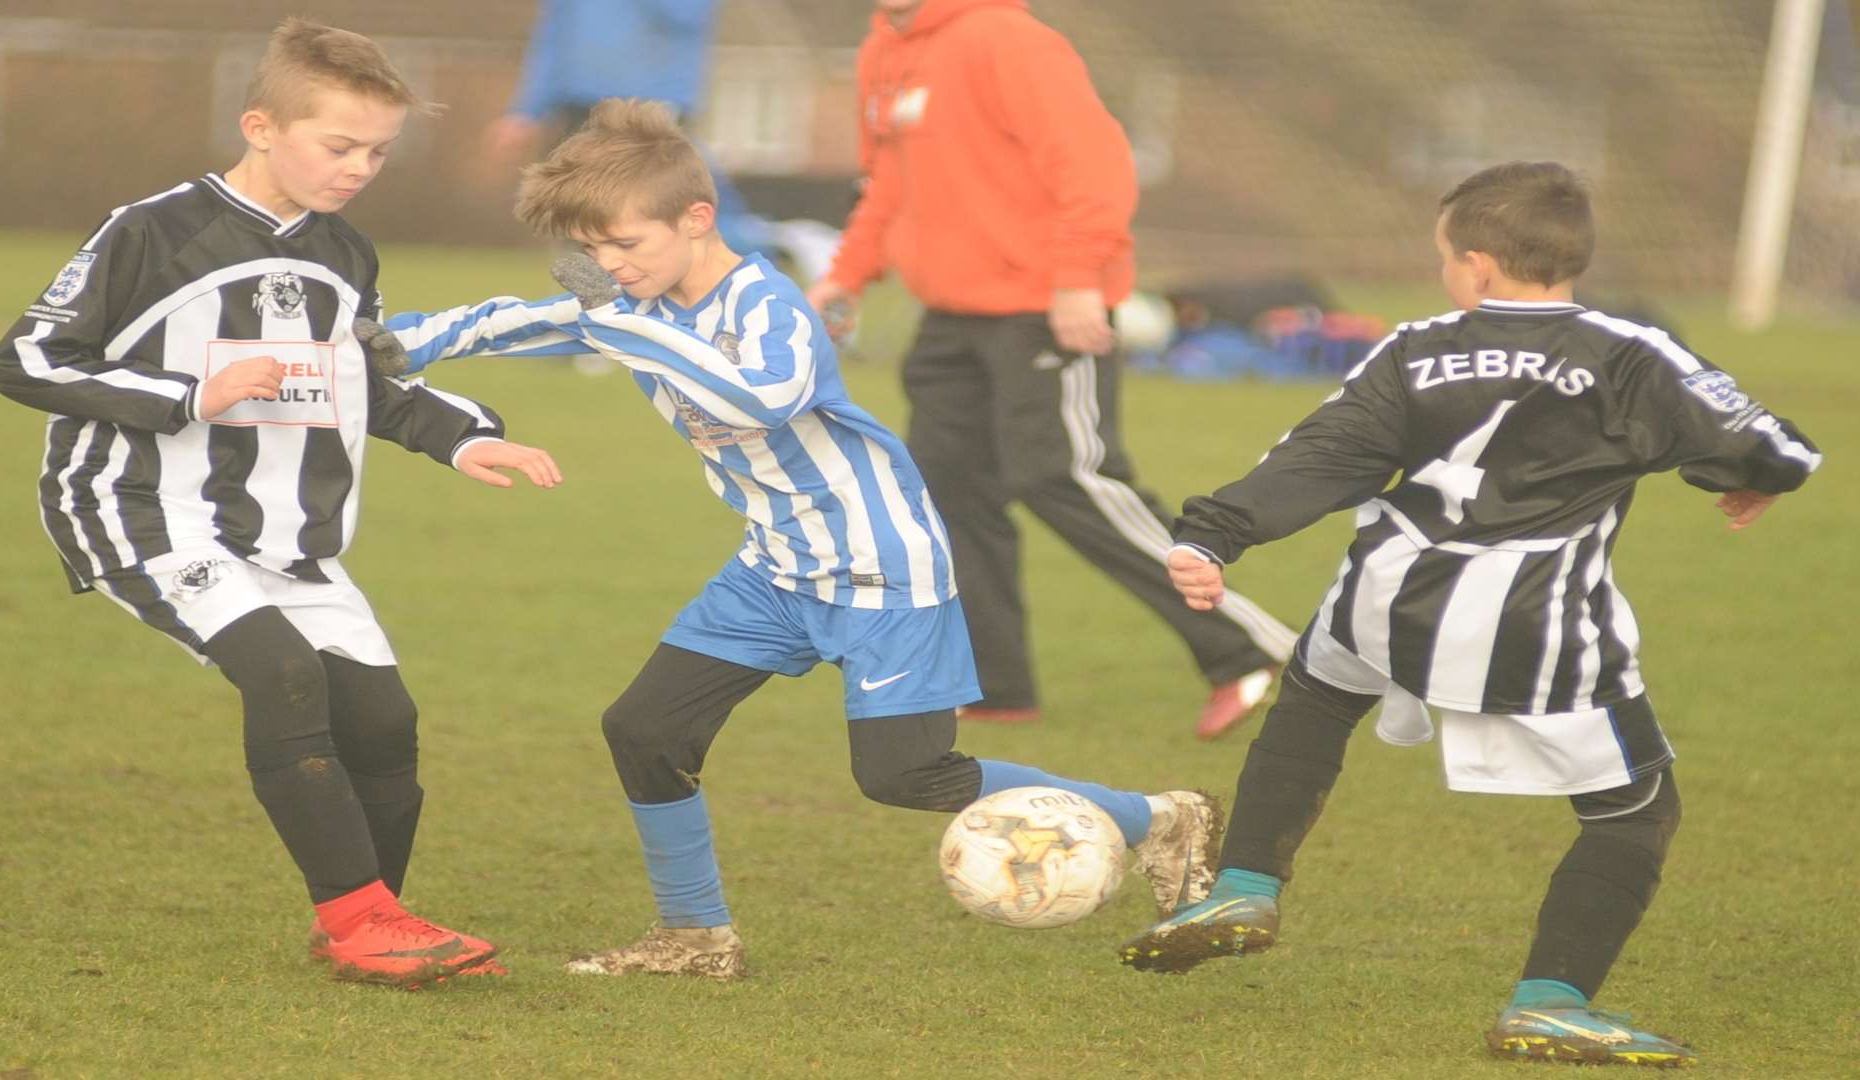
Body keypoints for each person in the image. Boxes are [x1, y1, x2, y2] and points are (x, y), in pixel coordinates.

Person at [380, 99, 1222, 979]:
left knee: (906, 776)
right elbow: (515, 318)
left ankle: (1162, 819)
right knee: (644, 728)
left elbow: (761, 399)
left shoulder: (769, 305)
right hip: (775, 570)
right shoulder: (637, 300)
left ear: (696, 218)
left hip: (882, 568)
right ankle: (697, 938)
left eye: (625, 245)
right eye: (592, 251)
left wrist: (624, 323)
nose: (606, 266)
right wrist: (385, 346)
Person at [1115, 162, 1821, 1067]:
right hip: (1533, 618)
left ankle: (1245, 884)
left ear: (1479, 266)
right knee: (1636, 810)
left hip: (1386, 591)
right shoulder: (1631, 349)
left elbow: (1324, 453)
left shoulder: (1417, 346)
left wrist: (1212, 537)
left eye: (1445, 256)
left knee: (1317, 700)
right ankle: (1550, 1001)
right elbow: (1764, 441)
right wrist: (1752, 479)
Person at [0, 18, 564, 988]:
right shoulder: (151, 232)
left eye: (377, 151)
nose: (359, 168)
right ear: (261, 125)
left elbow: (370, 382)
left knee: (383, 719)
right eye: (338, 146)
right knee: (286, 676)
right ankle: (360, 920)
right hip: (140, 508)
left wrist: (463, 435)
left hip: (284, 538)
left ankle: (373, 918)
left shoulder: (347, 256)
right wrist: (187, 395)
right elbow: (28, 359)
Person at [803, 0, 1296, 739]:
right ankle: (996, 686)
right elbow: (888, 184)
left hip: (1045, 304)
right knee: (946, 493)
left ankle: (1247, 644)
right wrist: (845, 276)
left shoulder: (1008, 39)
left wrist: (1076, 280)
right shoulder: (884, 51)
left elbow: (1094, 162)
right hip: (950, 316)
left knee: (1069, 478)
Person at [481, 0, 770, 258]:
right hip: (582, 110)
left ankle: (762, 255)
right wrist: (526, 110)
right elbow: (553, 38)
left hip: (652, 110)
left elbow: (687, 15)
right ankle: (594, 308)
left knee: (670, 217)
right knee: (584, 220)